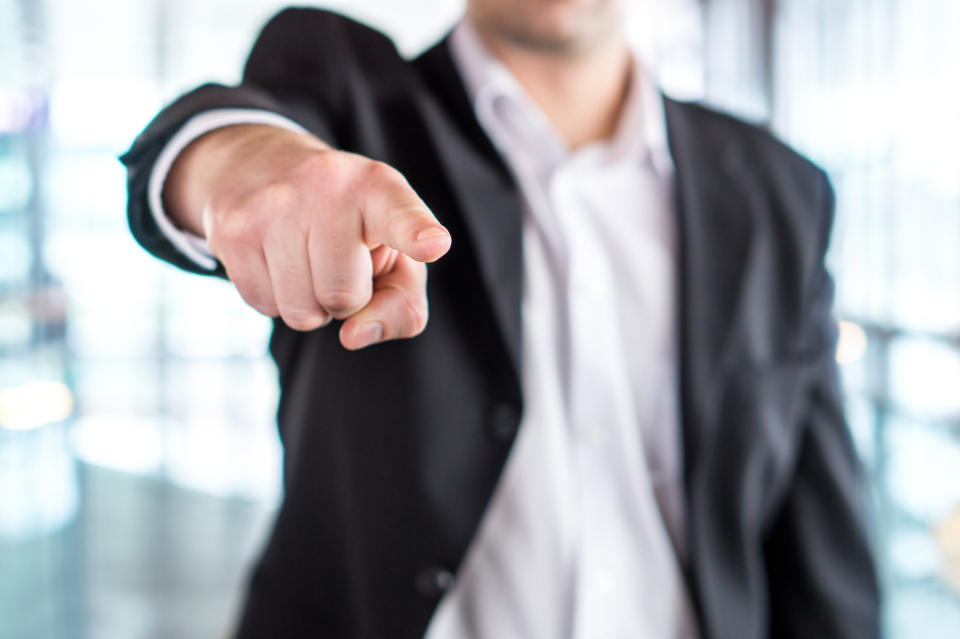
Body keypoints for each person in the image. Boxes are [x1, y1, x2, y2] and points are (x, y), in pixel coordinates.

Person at [121, 1, 881, 637]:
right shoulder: (351, 98)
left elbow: (819, 552)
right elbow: (219, 138)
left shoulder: (780, 191)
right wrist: (249, 167)